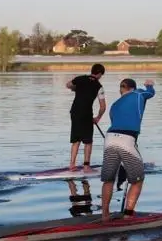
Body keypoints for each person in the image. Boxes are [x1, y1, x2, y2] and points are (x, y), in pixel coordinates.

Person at [99, 78, 156, 221]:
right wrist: (149, 84)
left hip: (110, 138)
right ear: (133, 88)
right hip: (126, 140)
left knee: (108, 180)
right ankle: (128, 216)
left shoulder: (115, 104)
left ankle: (105, 215)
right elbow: (150, 93)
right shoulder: (138, 94)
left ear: (121, 89)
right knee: (137, 180)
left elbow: (115, 121)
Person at [66, 63, 107, 172]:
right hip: (86, 114)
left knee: (76, 140)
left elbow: (68, 85)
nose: (100, 77)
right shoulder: (99, 86)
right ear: (99, 74)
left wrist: (75, 89)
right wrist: (98, 117)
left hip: (74, 112)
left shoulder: (80, 79)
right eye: (101, 75)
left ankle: (71, 165)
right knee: (88, 141)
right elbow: (103, 107)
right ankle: (86, 166)